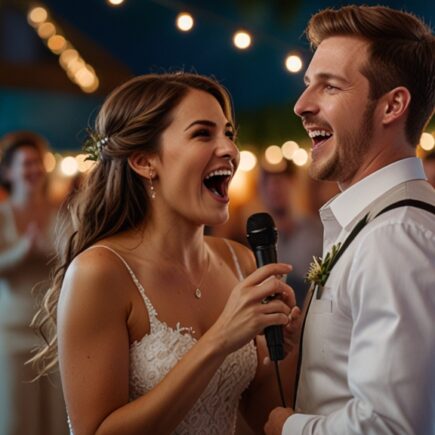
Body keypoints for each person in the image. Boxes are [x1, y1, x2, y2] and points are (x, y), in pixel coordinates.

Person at [31, 72, 302, 435]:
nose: (229, 150)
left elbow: (258, 416)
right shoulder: (100, 272)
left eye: (228, 134)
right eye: (203, 133)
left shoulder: (239, 260)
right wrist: (219, 340)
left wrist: (286, 350)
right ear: (145, 161)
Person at [265, 5, 435, 435]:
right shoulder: (383, 224)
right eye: (308, 86)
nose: (302, 105)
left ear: (393, 105)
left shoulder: (394, 236)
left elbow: (391, 427)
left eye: (330, 87)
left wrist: (289, 428)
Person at [0, 131, 69, 435]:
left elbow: (73, 266)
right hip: (11, 335)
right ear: (8, 172)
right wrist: (22, 252)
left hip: (53, 333)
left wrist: (52, 254)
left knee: (56, 422)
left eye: (38, 163)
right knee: (17, 423)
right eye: (25, 164)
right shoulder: (2, 216)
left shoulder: (61, 215)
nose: (33, 170)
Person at [258, 163, 323, 306]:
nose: (274, 190)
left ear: (292, 185)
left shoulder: (315, 230)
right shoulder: (260, 240)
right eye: (269, 187)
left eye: (279, 184)